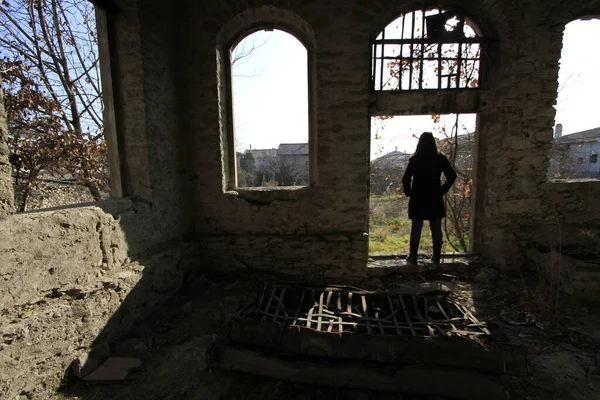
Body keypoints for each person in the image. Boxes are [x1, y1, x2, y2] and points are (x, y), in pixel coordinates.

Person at [402, 132, 456, 267]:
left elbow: (406, 178)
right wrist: (443, 190)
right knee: (436, 228)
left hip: (418, 197)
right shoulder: (440, 159)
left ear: (419, 144)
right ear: (433, 143)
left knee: (416, 228)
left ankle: (413, 257)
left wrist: (408, 192)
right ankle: (436, 257)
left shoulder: (414, 159)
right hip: (434, 197)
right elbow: (452, 175)